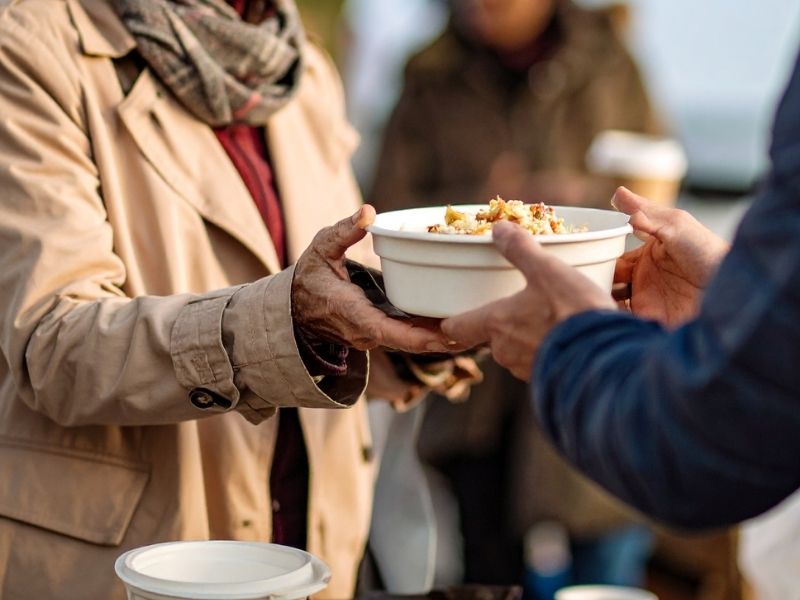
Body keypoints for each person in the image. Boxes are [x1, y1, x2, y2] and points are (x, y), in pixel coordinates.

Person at [0, 0, 458, 597]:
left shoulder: (301, 67)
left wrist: (428, 320)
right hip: (142, 563)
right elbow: (52, 345)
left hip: (309, 552)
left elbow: (336, 300)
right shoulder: (29, 41)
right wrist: (286, 321)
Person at [441, 46, 800, 528]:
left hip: (602, 407)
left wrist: (571, 343)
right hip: (485, 420)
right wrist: (730, 294)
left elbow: (705, 445)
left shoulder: (616, 65)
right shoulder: (432, 72)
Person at [370, 0, 662, 589]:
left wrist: (574, 193)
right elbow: (388, 203)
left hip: (591, 353)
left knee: (604, 556)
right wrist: (484, 199)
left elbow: (654, 178)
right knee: (487, 562)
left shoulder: (610, 60)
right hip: (474, 372)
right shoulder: (428, 73)